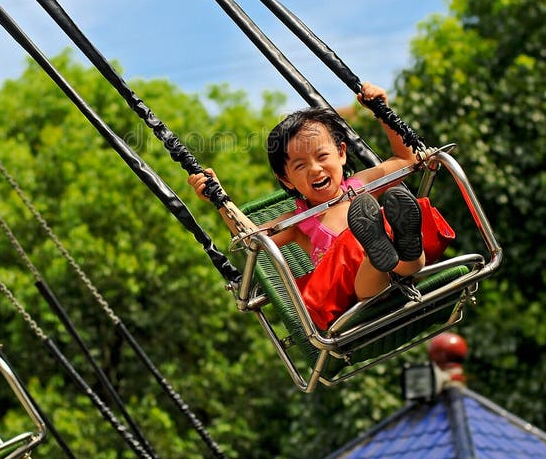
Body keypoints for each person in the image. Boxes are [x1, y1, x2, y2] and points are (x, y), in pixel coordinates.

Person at [188, 82, 454, 330]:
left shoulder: (360, 185)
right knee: (361, 251)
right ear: (286, 179)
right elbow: (252, 239)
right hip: (357, 298)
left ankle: (401, 239)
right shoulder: (298, 222)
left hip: (405, 273)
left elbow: (405, 161)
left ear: (341, 153)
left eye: (322, 156)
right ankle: (380, 247)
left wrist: (383, 111)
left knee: (395, 237)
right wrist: (220, 199)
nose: (315, 169)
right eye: (300, 165)